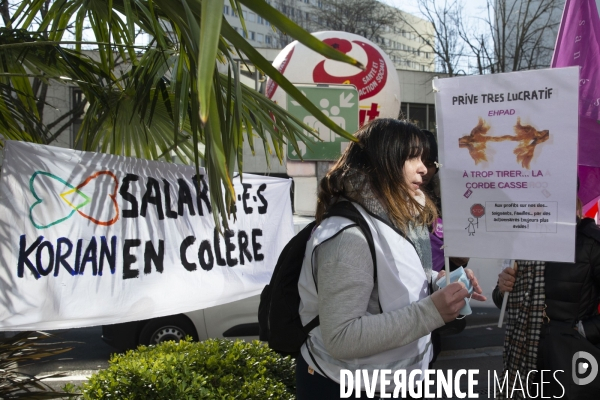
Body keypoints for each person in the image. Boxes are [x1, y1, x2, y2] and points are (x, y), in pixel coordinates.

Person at [296, 118, 486, 399]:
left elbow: (400, 280)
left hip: (395, 384)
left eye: (424, 158)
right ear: (382, 161)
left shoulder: (396, 219)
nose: (424, 168)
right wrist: (432, 311)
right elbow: (341, 337)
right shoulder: (349, 237)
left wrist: (439, 282)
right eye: (413, 157)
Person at [493, 198, 600, 399]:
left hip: (573, 352)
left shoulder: (591, 242)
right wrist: (503, 289)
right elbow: (503, 301)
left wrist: (585, 331)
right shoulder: (523, 239)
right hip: (524, 353)